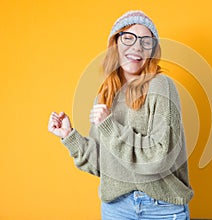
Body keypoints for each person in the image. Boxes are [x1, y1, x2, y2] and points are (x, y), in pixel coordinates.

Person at [48, 10, 193, 220]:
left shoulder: (161, 86)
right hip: (116, 208)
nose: (136, 47)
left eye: (146, 41)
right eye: (128, 38)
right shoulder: (105, 95)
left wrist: (110, 127)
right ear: (115, 44)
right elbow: (102, 164)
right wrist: (69, 136)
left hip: (159, 208)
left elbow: (160, 157)